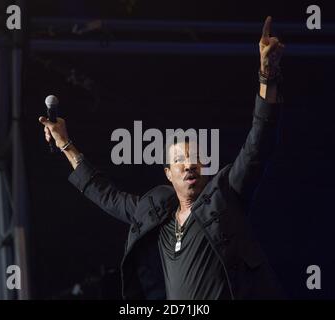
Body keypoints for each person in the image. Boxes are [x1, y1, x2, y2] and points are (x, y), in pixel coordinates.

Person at [39, 16, 285, 299]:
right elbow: (105, 194)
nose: (188, 164)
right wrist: (65, 144)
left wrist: (268, 75)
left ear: (205, 166)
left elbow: (258, 146)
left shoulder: (224, 196)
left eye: (195, 158)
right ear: (168, 173)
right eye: (179, 160)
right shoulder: (155, 214)